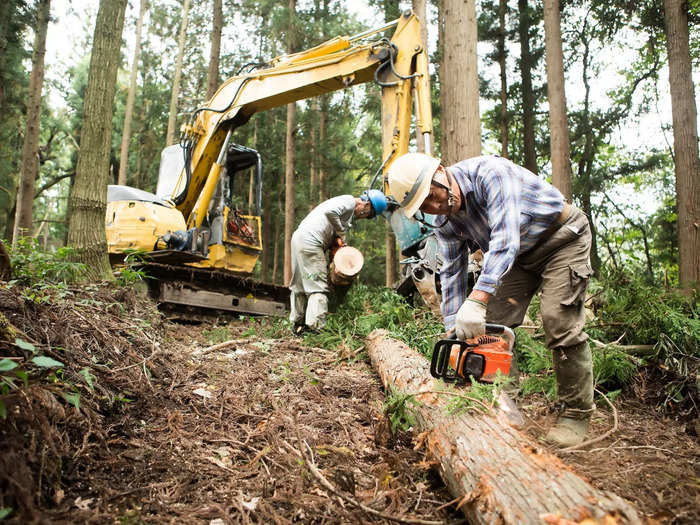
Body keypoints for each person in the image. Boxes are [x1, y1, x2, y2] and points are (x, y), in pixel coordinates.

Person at [386, 153, 594, 448]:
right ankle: (504, 404)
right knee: (490, 328)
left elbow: (506, 240)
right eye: (425, 206)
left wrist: (478, 299)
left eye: (433, 196)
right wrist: (453, 327)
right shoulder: (443, 221)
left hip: (561, 239)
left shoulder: (491, 174)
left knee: (558, 320)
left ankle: (575, 414)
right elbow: (451, 272)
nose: (435, 207)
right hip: (520, 256)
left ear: (441, 172)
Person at [289, 190, 387, 334]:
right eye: (368, 215)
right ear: (366, 205)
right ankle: (315, 328)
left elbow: (328, 225)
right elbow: (330, 213)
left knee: (300, 283)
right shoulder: (348, 201)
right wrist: (341, 233)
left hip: (299, 239)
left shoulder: (341, 208)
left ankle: (298, 324)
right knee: (318, 287)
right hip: (311, 243)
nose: (363, 218)